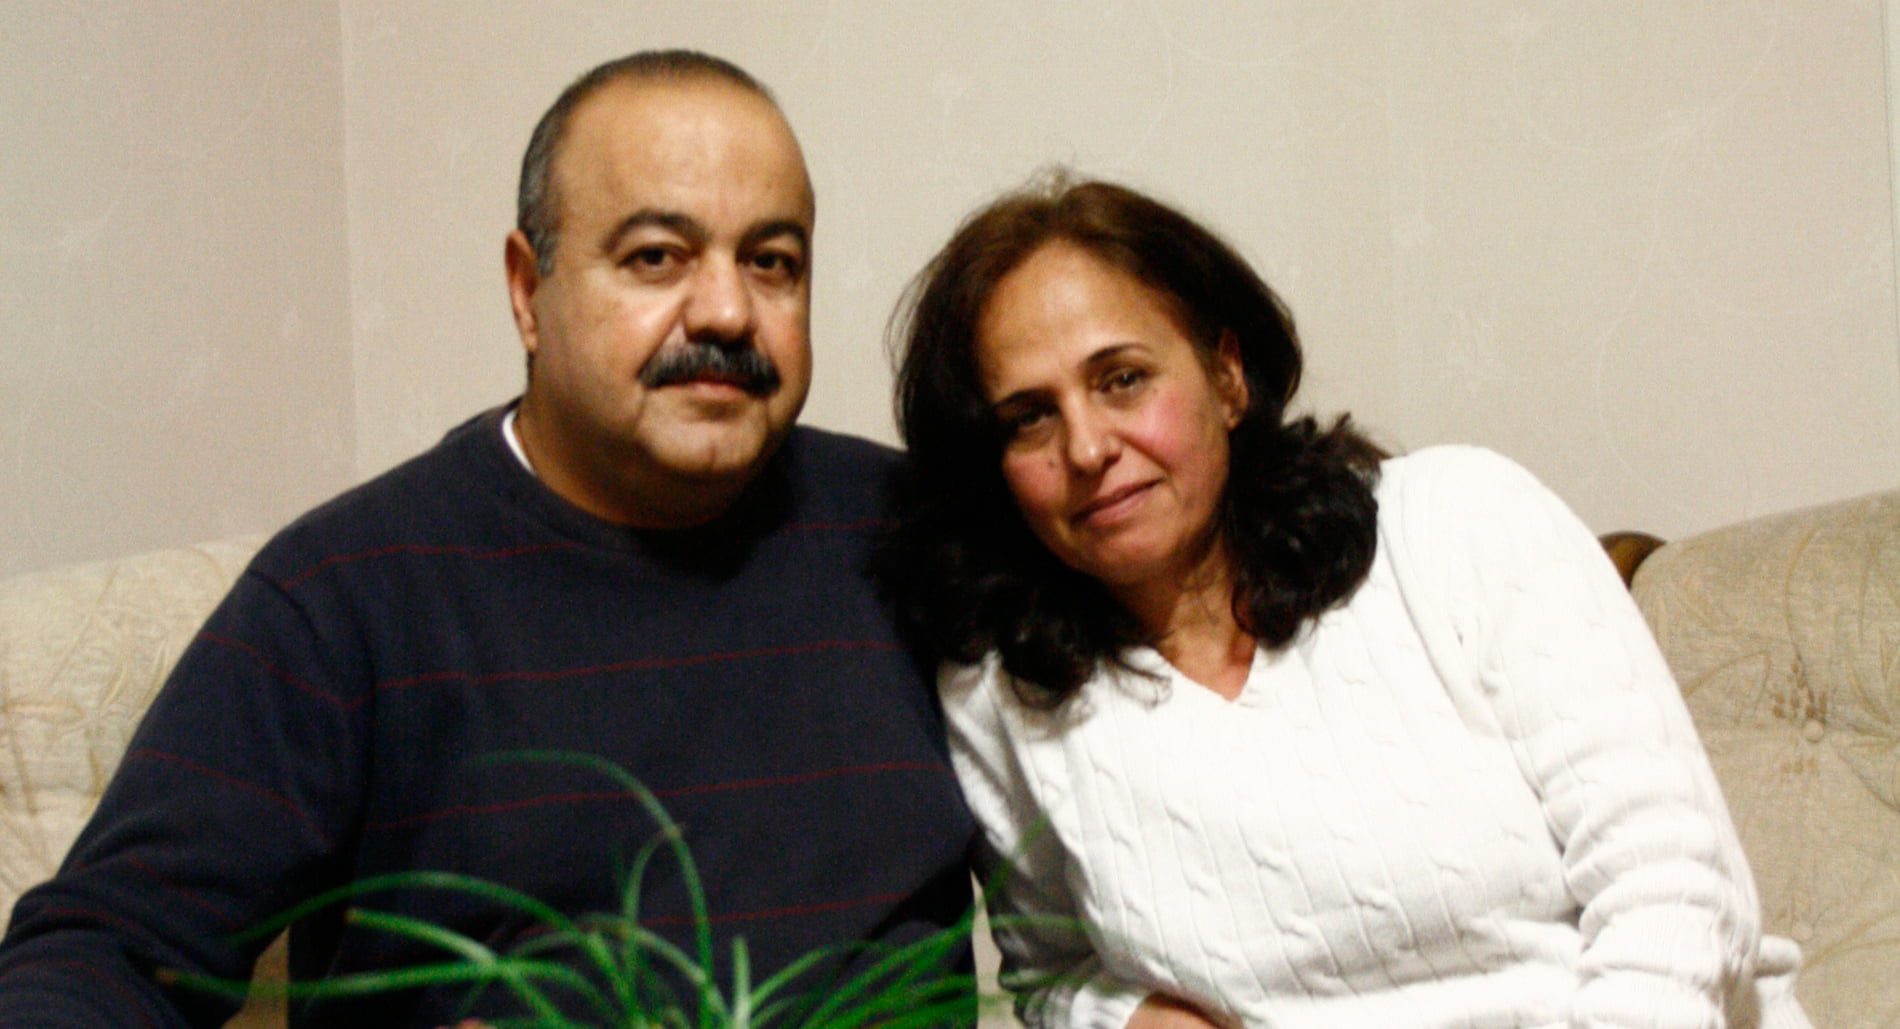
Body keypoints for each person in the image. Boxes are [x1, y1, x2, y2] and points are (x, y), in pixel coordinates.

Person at [0, 50, 974, 1027]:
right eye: (655, 257)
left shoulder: (913, 531)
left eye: (772, 262)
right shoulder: (348, 594)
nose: (726, 310)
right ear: (526, 290)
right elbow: (98, 955)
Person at [882, 175, 1810, 1029]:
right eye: (1029, 417)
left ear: (1227, 374)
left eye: (1122, 378)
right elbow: (1050, 972)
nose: (1086, 446)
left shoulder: (1458, 522)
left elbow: (1676, 885)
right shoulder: (1001, 689)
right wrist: (1118, 1018)